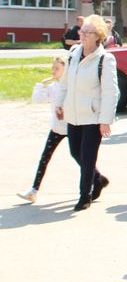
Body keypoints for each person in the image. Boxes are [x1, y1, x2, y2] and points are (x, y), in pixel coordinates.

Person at [54, 15, 119, 211]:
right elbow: (65, 83)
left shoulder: (105, 59)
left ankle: (85, 195)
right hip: (73, 114)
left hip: (93, 116)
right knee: (75, 152)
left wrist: (105, 120)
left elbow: (111, 92)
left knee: (88, 156)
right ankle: (97, 179)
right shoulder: (73, 53)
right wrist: (59, 103)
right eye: (82, 31)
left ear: (98, 35)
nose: (81, 35)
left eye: (86, 32)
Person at [17, 55, 70, 202]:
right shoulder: (53, 87)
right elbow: (38, 99)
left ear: (65, 70)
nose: (53, 70)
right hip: (56, 128)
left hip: (72, 127)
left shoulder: (71, 87)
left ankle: (97, 179)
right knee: (45, 157)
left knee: (80, 157)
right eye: (52, 67)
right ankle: (33, 190)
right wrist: (40, 86)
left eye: (57, 68)